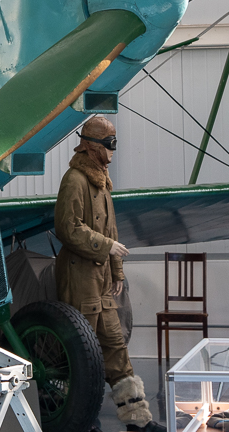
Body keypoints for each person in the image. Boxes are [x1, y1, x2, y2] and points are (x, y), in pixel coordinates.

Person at [54, 115, 165, 432]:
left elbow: (111, 230)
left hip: (100, 280)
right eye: (107, 142)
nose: (112, 148)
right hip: (79, 280)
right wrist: (107, 248)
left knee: (116, 349)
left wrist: (116, 272)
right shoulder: (75, 180)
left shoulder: (100, 181)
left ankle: (137, 419)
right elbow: (68, 228)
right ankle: (79, 420)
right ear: (90, 146)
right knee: (79, 355)